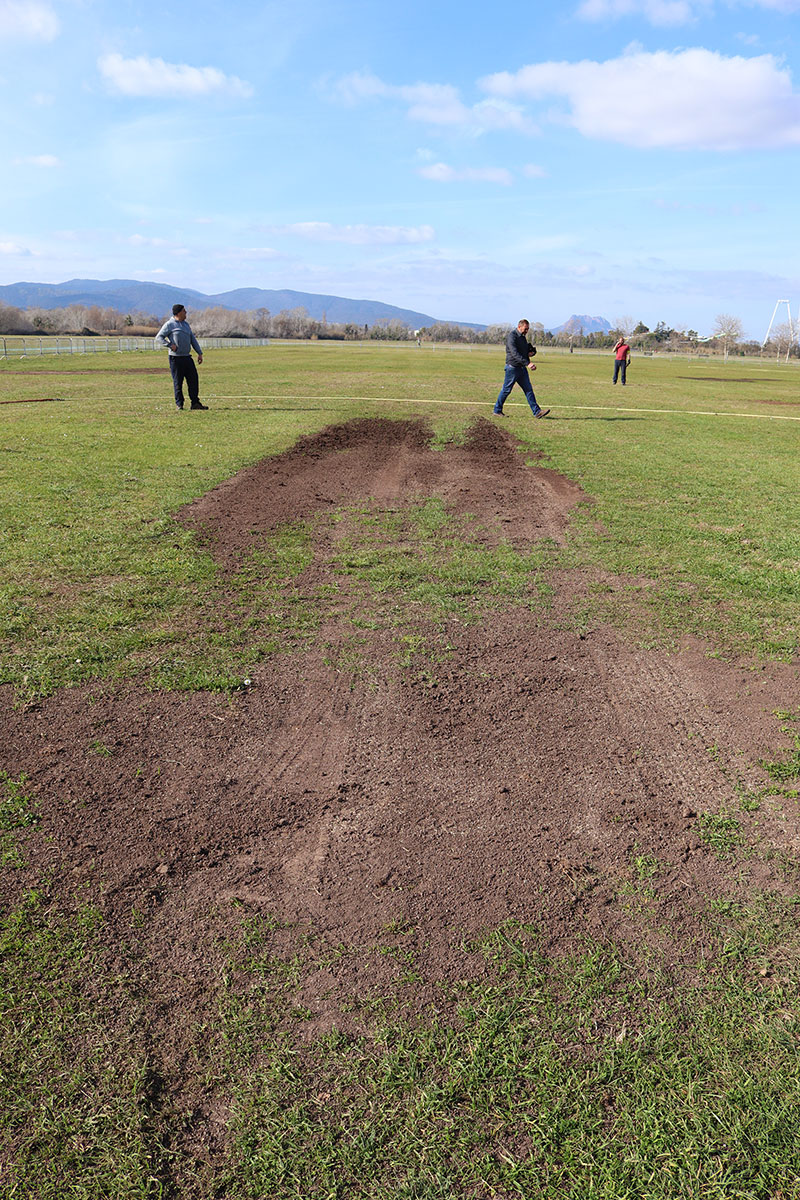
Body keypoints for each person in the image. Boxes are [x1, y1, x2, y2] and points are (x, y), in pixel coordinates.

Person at [493, 319, 550, 419]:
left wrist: (530, 353)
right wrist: (528, 363)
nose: (526, 331)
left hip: (522, 369)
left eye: (528, 329)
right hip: (512, 368)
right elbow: (514, 353)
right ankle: (497, 410)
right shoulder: (512, 337)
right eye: (525, 329)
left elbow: (523, 352)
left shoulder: (523, 338)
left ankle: (537, 412)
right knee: (506, 390)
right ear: (519, 326)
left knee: (528, 390)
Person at [155, 304, 207, 410]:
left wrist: (199, 353)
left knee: (193, 380)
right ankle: (180, 404)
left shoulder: (186, 325)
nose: (186, 312)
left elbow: (192, 339)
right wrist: (169, 345)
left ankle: (195, 403)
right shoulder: (169, 324)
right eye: (184, 311)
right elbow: (159, 337)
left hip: (187, 357)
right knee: (178, 382)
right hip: (176, 358)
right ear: (178, 313)